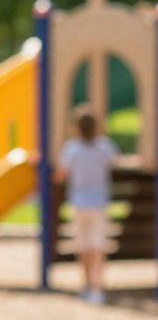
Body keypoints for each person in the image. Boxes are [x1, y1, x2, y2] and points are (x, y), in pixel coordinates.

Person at [56, 106, 118, 304]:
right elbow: (115, 162)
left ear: (76, 128)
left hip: (79, 203)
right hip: (98, 203)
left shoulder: (72, 149)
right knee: (97, 248)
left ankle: (85, 284)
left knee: (83, 247)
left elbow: (62, 173)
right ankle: (98, 288)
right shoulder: (104, 146)